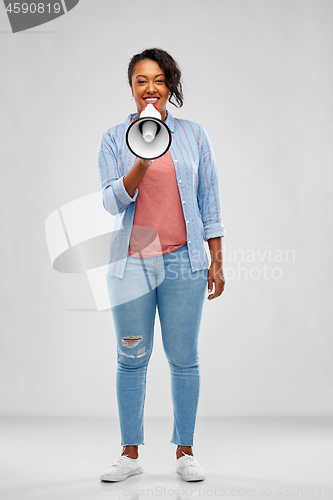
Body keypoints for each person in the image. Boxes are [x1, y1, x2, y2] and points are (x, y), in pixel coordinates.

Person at [97, 48, 226, 482]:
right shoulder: (115, 138)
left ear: (170, 85)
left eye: (158, 80)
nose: (150, 89)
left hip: (184, 264)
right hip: (132, 265)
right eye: (140, 81)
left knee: (184, 358)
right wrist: (141, 158)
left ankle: (185, 451)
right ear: (131, 88)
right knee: (131, 357)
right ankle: (130, 453)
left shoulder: (194, 135)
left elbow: (210, 201)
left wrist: (217, 260)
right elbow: (111, 202)